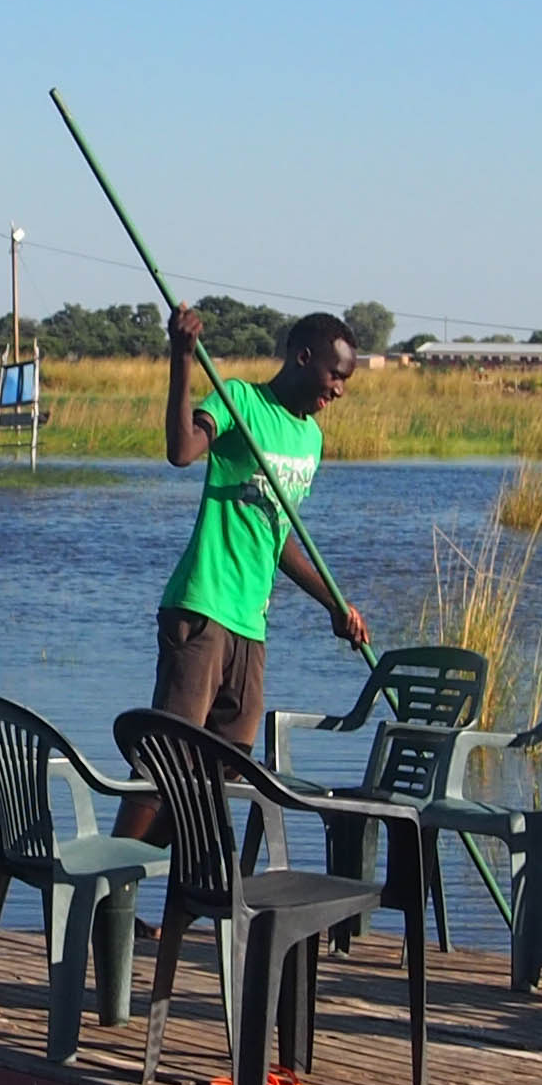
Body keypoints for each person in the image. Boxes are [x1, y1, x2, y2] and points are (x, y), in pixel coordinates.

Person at [136, 306, 371, 796]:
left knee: (225, 773)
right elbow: (181, 451)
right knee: (166, 774)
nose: (339, 390)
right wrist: (182, 357)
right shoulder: (239, 399)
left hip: (251, 625)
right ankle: (116, 850)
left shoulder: (311, 439)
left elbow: (276, 535)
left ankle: (193, 852)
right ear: (303, 358)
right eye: (335, 375)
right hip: (203, 608)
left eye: (346, 381)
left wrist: (333, 603)